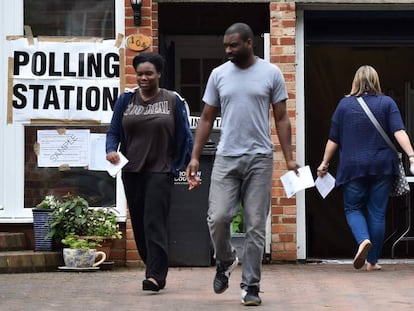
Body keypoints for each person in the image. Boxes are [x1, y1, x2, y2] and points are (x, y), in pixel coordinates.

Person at [186, 23, 298, 306]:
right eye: (226, 45)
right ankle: (225, 260)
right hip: (226, 157)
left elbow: (282, 117)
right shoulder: (218, 74)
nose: (227, 50)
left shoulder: (271, 73)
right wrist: (195, 156)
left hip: (260, 158)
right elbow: (207, 118)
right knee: (219, 217)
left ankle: (251, 286)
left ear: (249, 43)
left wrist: (290, 157)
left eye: (233, 45)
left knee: (255, 226)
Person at [106, 52, 193, 291]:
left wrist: (182, 164)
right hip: (131, 171)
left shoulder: (172, 100)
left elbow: (185, 135)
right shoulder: (126, 100)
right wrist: (111, 150)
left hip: (160, 170)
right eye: (140, 74)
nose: (143, 78)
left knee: (154, 222)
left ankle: (155, 275)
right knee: (140, 223)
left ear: (159, 74)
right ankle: (152, 266)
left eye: (149, 73)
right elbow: (113, 131)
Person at [317, 65, 414, 271]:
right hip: (383, 166)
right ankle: (372, 261)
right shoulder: (387, 103)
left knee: (352, 208)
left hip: (353, 167)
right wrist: (412, 155)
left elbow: (333, 139)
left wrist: (324, 163)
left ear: (355, 82)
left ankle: (363, 240)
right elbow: (399, 131)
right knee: (377, 213)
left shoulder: (344, 106)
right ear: (376, 81)